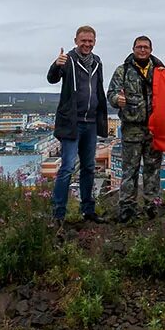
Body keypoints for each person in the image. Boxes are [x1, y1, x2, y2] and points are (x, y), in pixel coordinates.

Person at [47, 26, 108, 224]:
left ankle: (88, 210)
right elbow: (52, 78)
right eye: (83, 41)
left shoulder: (97, 62)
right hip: (72, 123)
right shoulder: (69, 60)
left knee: (89, 167)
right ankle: (58, 214)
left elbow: (98, 89)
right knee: (67, 168)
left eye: (90, 41)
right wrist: (56, 64)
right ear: (76, 40)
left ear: (95, 42)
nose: (87, 44)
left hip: (90, 123)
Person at [107, 35, 165, 223]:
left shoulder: (161, 72)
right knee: (129, 170)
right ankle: (127, 207)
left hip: (153, 129)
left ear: (151, 50)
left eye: (145, 47)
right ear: (133, 49)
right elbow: (111, 94)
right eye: (139, 47)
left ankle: (152, 205)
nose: (142, 50)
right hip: (131, 128)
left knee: (153, 169)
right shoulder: (122, 71)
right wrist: (117, 100)